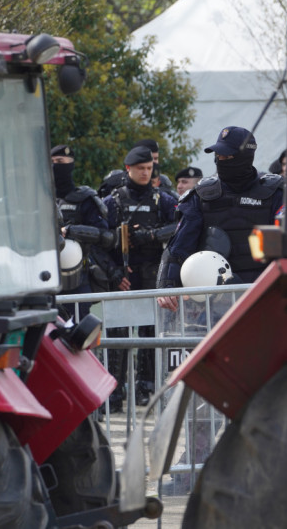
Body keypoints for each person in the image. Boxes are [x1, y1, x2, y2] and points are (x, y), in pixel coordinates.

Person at [157, 127, 284, 311]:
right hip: (213, 302)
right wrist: (166, 286)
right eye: (218, 156)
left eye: (227, 157)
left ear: (245, 157)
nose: (220, 161)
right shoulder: (202, 195)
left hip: (265, 294)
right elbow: (178, 248)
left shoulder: (275, 193)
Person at [103, 145, 178, 407]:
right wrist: (114, 272)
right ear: (128, 169)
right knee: (118, 335)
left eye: (149, 169)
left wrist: (151, 235)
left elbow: (180, 225)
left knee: (150, 334)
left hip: (152, 275)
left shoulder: (163, 199)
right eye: (140, 169)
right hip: (124, 277)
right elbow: (101, 241)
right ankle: (114, 390)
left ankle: (147, 387)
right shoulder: (113, 201)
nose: (146, 173)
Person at [51, 144, 118, 322]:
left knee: (78, 332)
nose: (54, 166)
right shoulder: (39, 198)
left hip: (78, 279)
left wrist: (72, 231)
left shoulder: (85, 199)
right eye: (51, 163)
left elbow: (106, 236)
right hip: (47, 277)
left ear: (70, 164)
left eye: (59, 162)